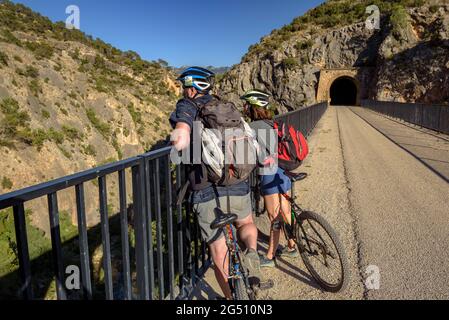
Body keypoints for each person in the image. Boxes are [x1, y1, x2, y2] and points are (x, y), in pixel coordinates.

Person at [169, 67, 260, 299]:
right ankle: (251, 251)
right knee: (246, 222)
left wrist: (176, 144)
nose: (183, 90)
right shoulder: (226, 105)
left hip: (204, 187)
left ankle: (232, 299)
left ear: (191, 88)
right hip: (235, 177)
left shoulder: (187, 105)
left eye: (184, 86)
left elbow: (180, 140)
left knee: (219, 248)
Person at [240, 90, 299, 268]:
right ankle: (292, 245)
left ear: (251, 107)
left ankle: (271, 255)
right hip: (283, 169)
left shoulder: (251, 128)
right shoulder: (273, 123)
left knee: (274, 215)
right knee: (286, 211)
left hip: (268, 173)